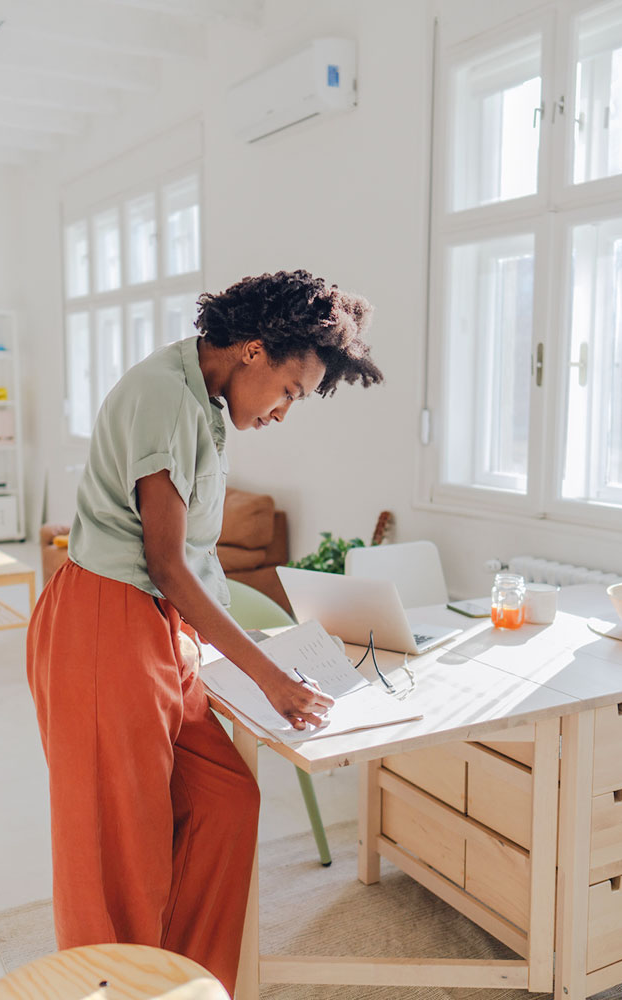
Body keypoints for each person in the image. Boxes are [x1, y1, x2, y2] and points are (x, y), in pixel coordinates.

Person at [26, 269, 384, 992]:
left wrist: (261, 652)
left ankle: (184, 984)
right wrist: (267, 675)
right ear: (253, 350)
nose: (285, 411)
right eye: (289, 391)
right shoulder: (164, 398)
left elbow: (191, 561)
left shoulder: (203, 400)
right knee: (116, 853)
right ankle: (115, 988)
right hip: (106, 624)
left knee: (224, 801)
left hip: (161, 630)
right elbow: (166, 564)